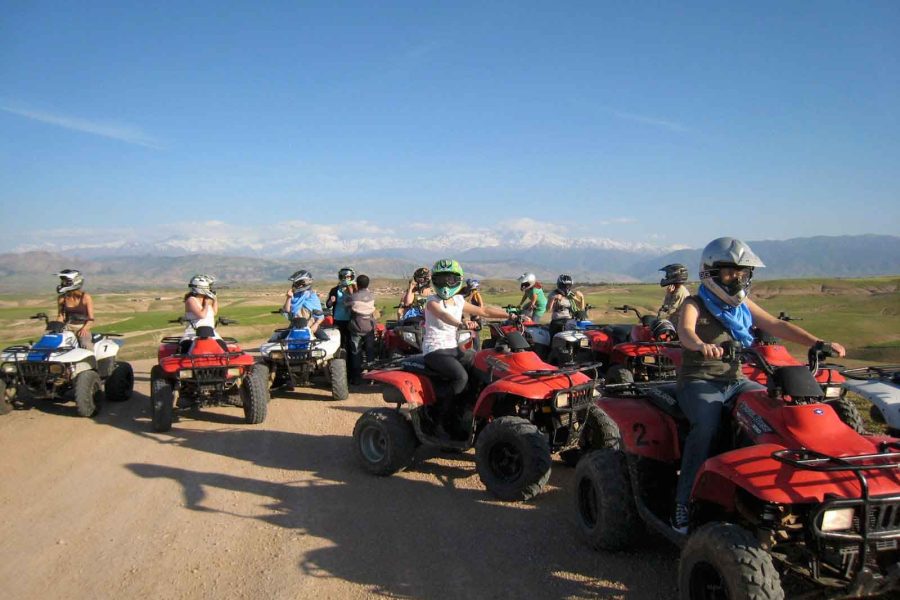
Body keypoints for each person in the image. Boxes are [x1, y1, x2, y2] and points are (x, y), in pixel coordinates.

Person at [671, 237, 846, 534]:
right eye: (729, 273)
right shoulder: (694, 302)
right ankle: (683, 503)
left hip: (737, 381)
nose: (736, 279)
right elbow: (685, 330)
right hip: (699, 380)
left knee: (777, 414)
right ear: (710, 273)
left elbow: (775, 325)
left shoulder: (742, 304)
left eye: (742, 273)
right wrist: (700, 345)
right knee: (706, 427)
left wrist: (817, 342)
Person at [423, 259, 509, 436]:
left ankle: (469, 410)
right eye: (441, 279)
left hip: (453, 348)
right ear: (434, 280)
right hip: (435, 350)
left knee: (481, 362)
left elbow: (484, 311)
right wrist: (461, 323)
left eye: (451, 280)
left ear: (459, 280)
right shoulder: (432, 301)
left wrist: (511, 315)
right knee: (460, 377)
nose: (446, 284)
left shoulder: (459, 300)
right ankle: (437, 418)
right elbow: (442, 315)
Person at [346, 274, 379, 385]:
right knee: (370, 352)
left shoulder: (353, 297)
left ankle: (356, 378)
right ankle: (372, 377)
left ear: (357, 284)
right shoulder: (372, 296)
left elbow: (346, 304)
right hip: (369, 327)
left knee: (356, 352)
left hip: (356, 327)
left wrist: (352, 291)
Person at [55, 269, 95, 350]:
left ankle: (91, 361)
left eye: (65, 282)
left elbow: (91, 318)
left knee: (86, 345)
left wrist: (85, 328)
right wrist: (56, 327)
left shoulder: (86, 297)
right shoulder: (61, 298)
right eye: (62, 281)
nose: (62, 284)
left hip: (81, 328)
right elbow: (61, 316)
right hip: (66, 328)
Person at [283, 270, 326, 338]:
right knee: (278, 339)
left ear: (304, 283)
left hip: (311, 325)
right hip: (294, 326)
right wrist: (289, 297)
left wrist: (316, 325)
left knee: (325, 339)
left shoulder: (312, 296)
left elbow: (320, 316)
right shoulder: (294, 295)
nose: (296, 285)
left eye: (298, 283)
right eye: (296, 283)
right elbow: (287, 310)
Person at [182, 274, 219, 353]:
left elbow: (214, 313)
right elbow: (202, 315)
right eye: (209, 287)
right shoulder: (191, 300)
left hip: (211, 334)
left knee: (223, 348)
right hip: (193, 335)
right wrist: (206, 303)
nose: (211, 289)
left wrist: (215, 299)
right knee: (186, 353)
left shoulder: (206, 299)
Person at [327, 267, 357, 361]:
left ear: (351, 277)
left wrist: (351, 289)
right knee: (339, 342)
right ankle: (340, 361)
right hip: (338, 319)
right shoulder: (334, 290)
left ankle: (350, 363)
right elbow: (328, 305)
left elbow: (356, 302)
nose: (346, 279)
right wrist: (331, 302)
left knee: (350, 342)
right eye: (344, 277)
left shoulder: (354, 289)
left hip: (350, 319)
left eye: (348, 277)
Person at [658, 263, 690, 328]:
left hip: (678, 328)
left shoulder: (679, 293)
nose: (666, 277)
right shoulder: (679, 290)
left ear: (674, 276)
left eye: (668, 274)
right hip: (676, 325)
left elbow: (666, 312)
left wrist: (668, 295)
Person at [462, 278, 484, 350]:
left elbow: (481, 304)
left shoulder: (476, 293)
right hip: (473, 316)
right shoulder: (472, 293)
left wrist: (478, 314)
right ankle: (475, 349)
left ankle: (477, 350)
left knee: (476, 335)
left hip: (476, 317)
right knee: (473, 334)